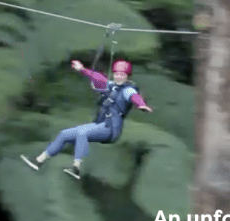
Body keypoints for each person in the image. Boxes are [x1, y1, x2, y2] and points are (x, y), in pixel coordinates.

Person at [21, 59, 152, 179]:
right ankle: (38, 161)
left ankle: (76, 167)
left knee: (82, 132)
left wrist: (141, 105)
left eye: (122, 75)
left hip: (111, 129)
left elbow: (134, 97)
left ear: (127, 76)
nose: (118, 77)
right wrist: (82, 69)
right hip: (100, 125)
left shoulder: (127, 90)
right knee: (64, 134)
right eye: (116, 74)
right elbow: (97, 77)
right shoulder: (111, 86)